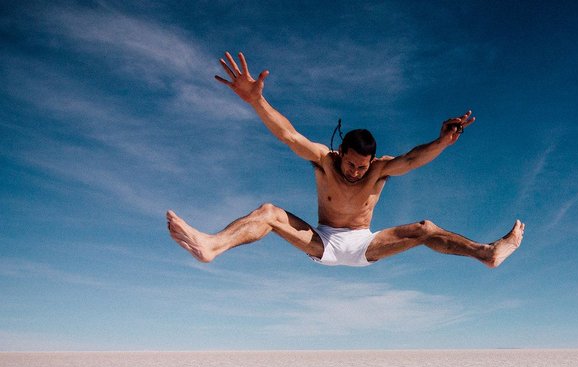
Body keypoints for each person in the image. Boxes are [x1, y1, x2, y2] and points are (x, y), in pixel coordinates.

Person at [167, 51, 524, 268]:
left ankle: (487, 252)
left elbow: (414, 159)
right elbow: (289, 135)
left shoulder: (379, 169)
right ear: (340, 155)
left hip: (364, 243)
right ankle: (212, 245)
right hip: (321, 241)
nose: (355, 171)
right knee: (268, 212)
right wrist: (256, 101)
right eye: (350, 164)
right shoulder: (325, 159)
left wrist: (443, 141)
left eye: (362, 167)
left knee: (425, 229)